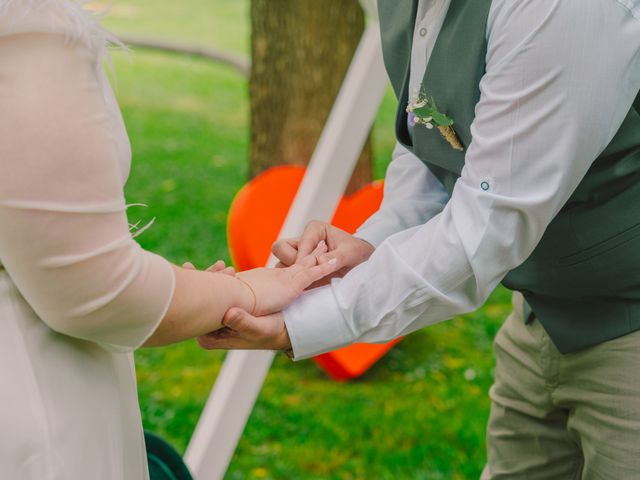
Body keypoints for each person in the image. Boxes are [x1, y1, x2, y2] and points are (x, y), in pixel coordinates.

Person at [199, 0, 640, 477]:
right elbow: (436, 135)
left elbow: (490, 224)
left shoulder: (559, 10)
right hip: (540, 318)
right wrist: (372, 246)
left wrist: (305, 321)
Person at [0, 1, 337, 478]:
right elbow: (96, 292)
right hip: (31, 412)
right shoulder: (25, 31)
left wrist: (191, 291)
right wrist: (244, 291)